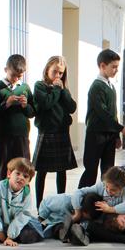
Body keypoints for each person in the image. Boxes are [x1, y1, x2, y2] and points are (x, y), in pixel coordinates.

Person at [79, 49, 125, 188]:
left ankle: (105, 201)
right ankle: (80, 203)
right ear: (103, 66)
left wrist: (116, 135)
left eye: (117, 67)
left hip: (109, 136)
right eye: (113, 67)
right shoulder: (96, 87)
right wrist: (122, 129)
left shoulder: (111, 87)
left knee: (108, 171)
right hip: (96, 135)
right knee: (90, 170)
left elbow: (113, 113)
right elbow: (103, 113)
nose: (116, 70)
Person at [32, 55, 78, 203]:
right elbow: (46, 103)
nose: (58, 75)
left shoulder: (63, 89)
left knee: (61, 170)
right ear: (47, 70)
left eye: (61, 73)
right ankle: (39, 205)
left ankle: (60, 202)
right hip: (46, 132)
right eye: (55, 72)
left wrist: (63, 91)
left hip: (62, 132)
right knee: (42, 171)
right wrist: (57, 90)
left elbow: (72, 107)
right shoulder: (40, 86)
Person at [0, 157, 43, 246]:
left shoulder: (26, 194)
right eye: (17, 173)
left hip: (17, 226)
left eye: (25, 176)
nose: (21, 178)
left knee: (28, 236)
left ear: (28, 181)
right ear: (9, 174)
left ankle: (12, 237)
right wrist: (0, 232)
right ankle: (5, 236)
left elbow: (23, 216)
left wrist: (10, 236)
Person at [0, 54, 35, 180]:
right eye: (13, 75)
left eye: (19, 76)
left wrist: (25, 105)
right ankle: (2, 197)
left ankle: (22, 197)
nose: (16, 78)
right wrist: (6, 104)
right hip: (3, 136)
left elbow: (32, 112)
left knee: (23, 168)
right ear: (6, 70)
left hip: (21, 135)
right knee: (3, 169)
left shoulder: (25, 88)